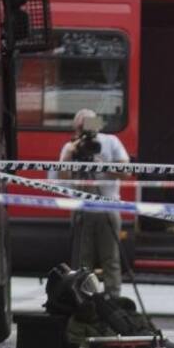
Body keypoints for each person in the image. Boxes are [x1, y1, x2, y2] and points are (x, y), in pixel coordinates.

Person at [58, 109, 130, 298]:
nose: (85, 129)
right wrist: (70, 156)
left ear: (97, 124)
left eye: (89, 124)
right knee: (82, 260)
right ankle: (84, 298)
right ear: (76, 127)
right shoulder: (70, 147)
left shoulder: (111, 142)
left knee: (111, 259)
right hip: (82, 209)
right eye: (81, 126)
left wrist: (102, 165)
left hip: (108, 206)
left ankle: (113, 299)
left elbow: (127, 171)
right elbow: (61, 179)